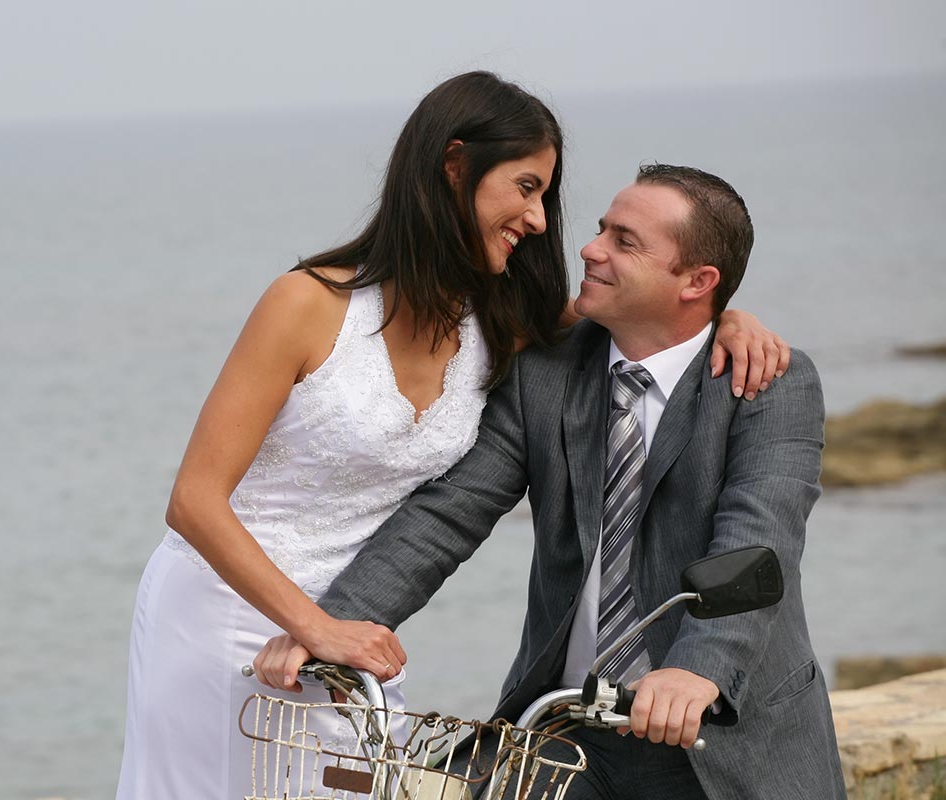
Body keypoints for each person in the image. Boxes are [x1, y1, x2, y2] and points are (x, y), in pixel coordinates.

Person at [117, 72, 788, 800]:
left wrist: (725, 318)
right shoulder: (306, 302)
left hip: (356, 622)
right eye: (526, 187)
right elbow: (192, 501)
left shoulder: (499, 319)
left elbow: (647, 322)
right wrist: (315, 625)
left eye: (544, 196)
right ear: (455, 166)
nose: (538, 220)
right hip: (229, 613)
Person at [254, 164, 844, 799]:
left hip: (717, 733)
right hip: (566, 731)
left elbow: (760, 534)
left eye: (626, 241)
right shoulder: (546, 371)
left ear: (698, 282)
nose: (591, 249)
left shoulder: (766, 384)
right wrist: (329, 625)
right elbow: (449, 513)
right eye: (601, 230)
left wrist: (696, 671)